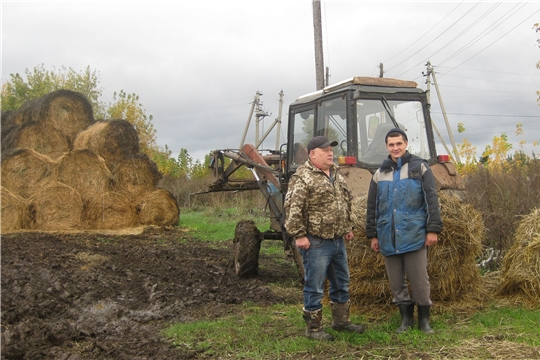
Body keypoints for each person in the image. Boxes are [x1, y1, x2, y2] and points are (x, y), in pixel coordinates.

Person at [285, 135, 366, 341]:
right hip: (316, 242)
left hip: (337, 240)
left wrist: (347, 227)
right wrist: (299, 236)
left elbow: (344, 201)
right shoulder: (303, 177)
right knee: (315, 285)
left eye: (331, 149)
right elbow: (293, 209)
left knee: (341, 282)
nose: (330, 153)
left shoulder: (336, 174)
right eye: (325, 150)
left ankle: (341, 322)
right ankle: (313, 329)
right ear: (312, 154)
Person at [366, 128, 442, 334]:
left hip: (414, 233)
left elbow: (431, 200)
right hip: (387, 235)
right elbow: (372, 206)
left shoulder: (421, 168)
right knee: (396, 281)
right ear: (386, 147)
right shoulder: (380, 173)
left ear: (406, 144)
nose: (395, 148)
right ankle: (405, 320)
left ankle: (424, 321)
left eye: (398, 143)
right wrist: (373, 234)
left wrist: (432, 229)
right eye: (391, 145)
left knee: (419, 279)